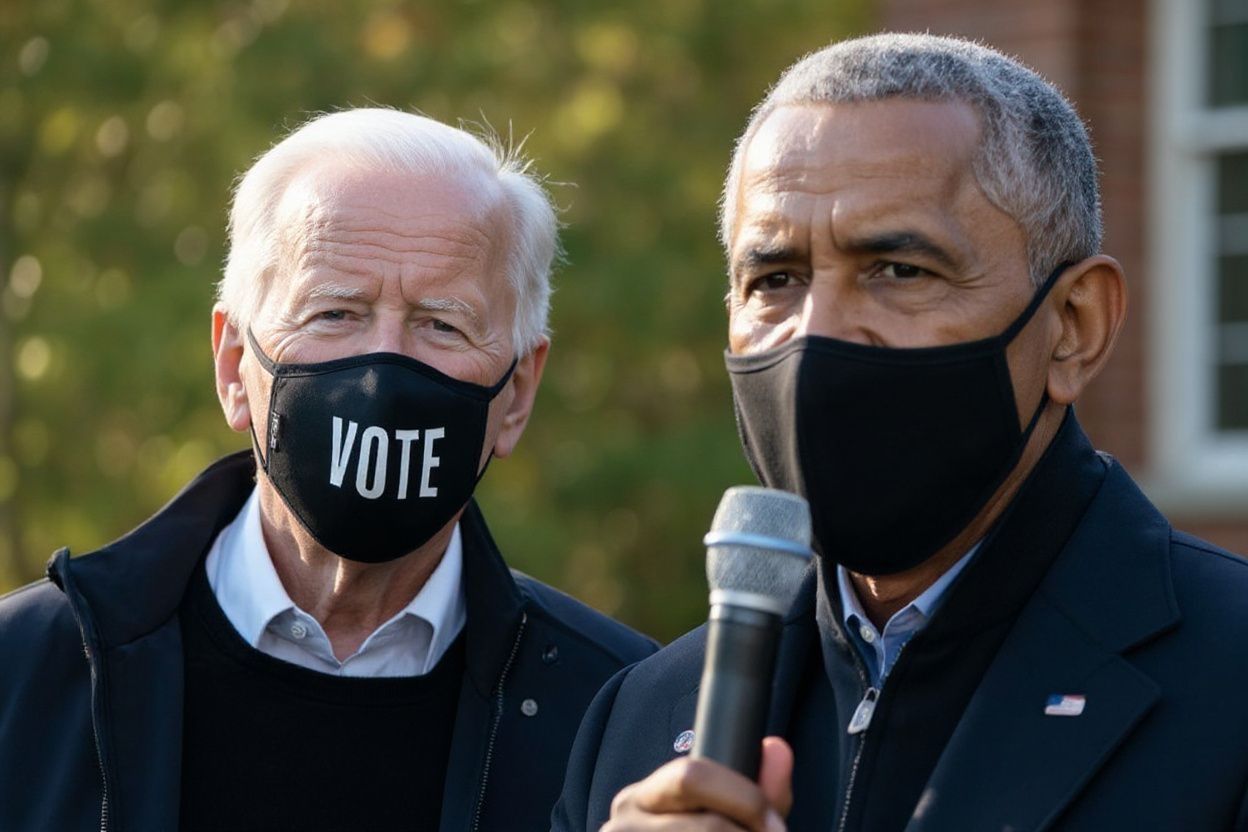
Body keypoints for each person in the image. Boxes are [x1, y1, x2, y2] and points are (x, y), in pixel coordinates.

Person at [553, 33, 1248, 832]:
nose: (820, 333)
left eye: (898, 271)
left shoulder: (1229, 679)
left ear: (1074, 327)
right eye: (774, 279)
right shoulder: (642, 720)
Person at [0, 108, 655, 832]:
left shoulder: (624, 718)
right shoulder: (28, 672)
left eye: (442, 323)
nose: (384, 369)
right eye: (333, 313)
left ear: (519, 393)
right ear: (232, 363)